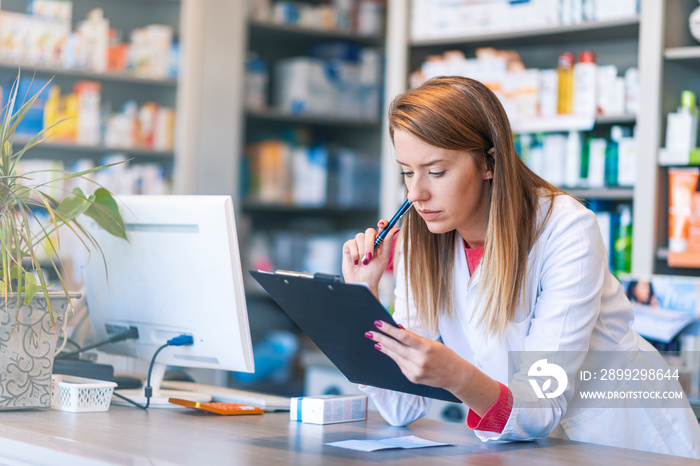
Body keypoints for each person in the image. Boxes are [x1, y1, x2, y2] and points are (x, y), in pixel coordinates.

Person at [341, 76, 700, 458]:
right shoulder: (421, 236)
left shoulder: (565, 227)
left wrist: (457, 376)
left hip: (628, 439)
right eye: (407, 172)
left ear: (489, 163)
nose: (416, 194)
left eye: (436, 171)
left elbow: (542, 402)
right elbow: (401, 406)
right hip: (529, 446)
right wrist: (362, 298)